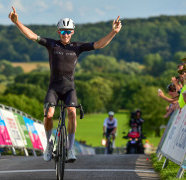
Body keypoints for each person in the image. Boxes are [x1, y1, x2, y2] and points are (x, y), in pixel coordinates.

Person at [8, 6, 122, 163]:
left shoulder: (77, 47)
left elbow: (99, 44)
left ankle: (70, 149)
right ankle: (49, 146)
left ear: (73, 32)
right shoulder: (52, 44)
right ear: (58, 32)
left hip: (69, 88)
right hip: (54, 88)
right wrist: (17, 22)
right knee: (48, 114)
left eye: (68, 31)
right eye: (63, 31)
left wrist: (114, 32)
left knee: (72, 112)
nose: (66, 34)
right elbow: (32, 36)